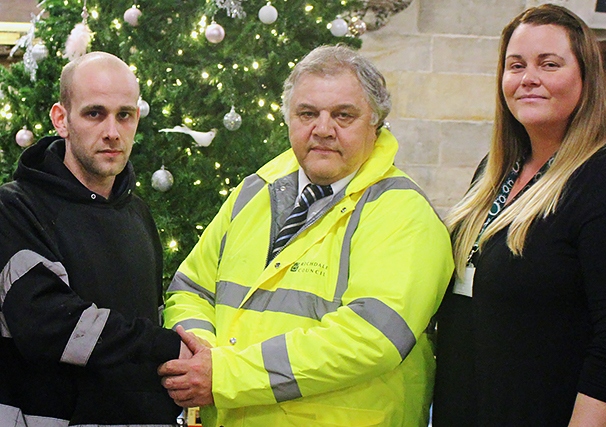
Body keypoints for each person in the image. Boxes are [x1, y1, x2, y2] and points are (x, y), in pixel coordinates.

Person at [158, 44, 454, 427]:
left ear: (376, 123)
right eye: (308, 113)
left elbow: (370, 339)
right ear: (289, 120)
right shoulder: (254, 192)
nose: (323, 129)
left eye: (343, 115)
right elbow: (190, 290)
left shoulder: (403, 211)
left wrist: (228, 375)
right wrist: (204, 355)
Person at [432, 4, 606, 426]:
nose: (528, 78)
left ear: (586, 77)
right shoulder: (494, 171)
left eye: (549, 64)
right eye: (516, 65)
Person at [0, 52, 188, 426]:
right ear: (61, 119)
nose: (112, 132)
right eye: (94, 113)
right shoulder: (14, 207)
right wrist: (169, 347)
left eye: (125, 115)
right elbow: (48, 325)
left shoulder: (138, 213)